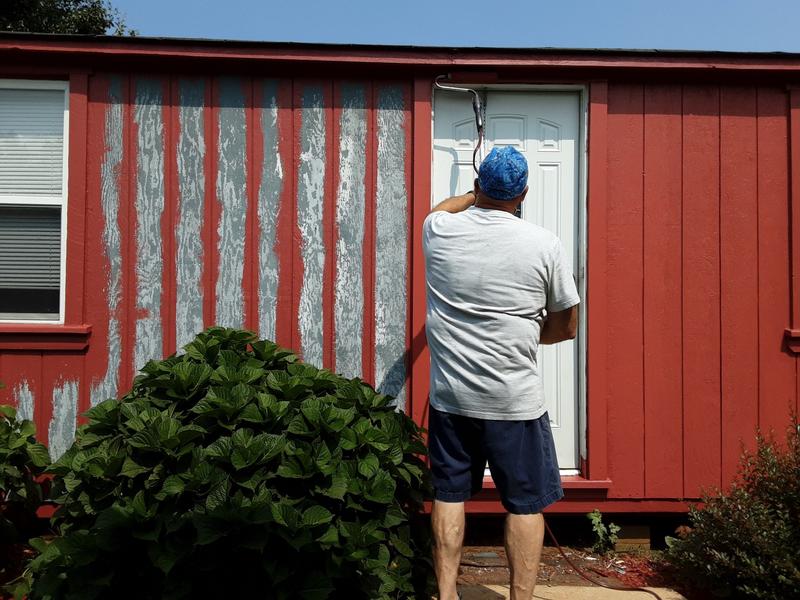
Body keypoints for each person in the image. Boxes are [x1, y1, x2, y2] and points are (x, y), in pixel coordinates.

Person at [422, 145, 580, 600]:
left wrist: (472, 198)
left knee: (450, 495)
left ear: (477, 187)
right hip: (514, 399)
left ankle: (447, 594)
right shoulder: (542, 243)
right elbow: (567, 325)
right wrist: (529, 337)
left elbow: (438, 209)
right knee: (525, 503)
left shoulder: (440, 231)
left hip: (452, 397)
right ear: (524, 193)